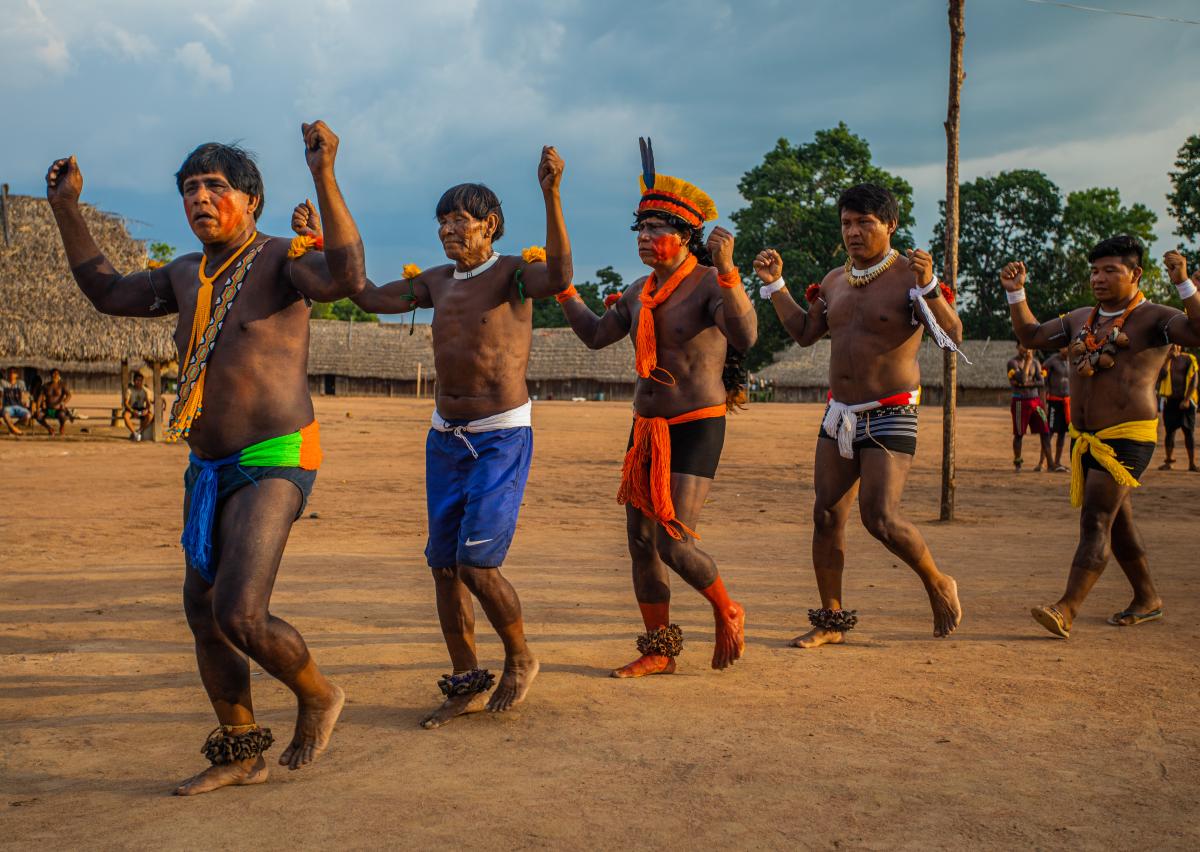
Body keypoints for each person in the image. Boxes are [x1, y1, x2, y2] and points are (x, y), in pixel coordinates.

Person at [46, 120, 364, 794]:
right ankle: (242, 747)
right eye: (189, 188)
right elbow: (106, 291)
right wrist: (67, 209)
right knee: (202, 610)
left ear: (250, 201)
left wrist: (324, 173)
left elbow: (347, 277)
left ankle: (317, 693)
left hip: (278, 453)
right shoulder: (185, 274)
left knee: (239, 611)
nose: (199, 198)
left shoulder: (282, 260)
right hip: (209, 468)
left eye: (215, 186)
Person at [296, 146, 570, 727]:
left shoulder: (514, 274)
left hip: (501, 436)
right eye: (442, 222)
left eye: (460, 221)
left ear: (490, 225)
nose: (448, 230)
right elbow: (368, 296)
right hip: (445, 438)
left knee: (478, 567)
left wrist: (551, 192)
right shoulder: (437, 283)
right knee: (444, 567)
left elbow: (563, 276)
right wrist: (323, 245)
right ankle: (466, 676)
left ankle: (520, 657)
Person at [552, 138, 755, 677]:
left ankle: (727, 607)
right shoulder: (640, 289)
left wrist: (731, 271)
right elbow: (597, 336)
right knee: (641, 543)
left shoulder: (711, 283)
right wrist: (564, 292)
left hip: (695, 426)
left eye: (656, 230)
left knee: (672, 542)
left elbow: (747, 333)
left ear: (686, 237)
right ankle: (659, 649)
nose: (645, 239)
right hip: (646, 428)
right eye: (640, 230)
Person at [754, 183, 964, 648]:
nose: (853, 231)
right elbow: (806, 333)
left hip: (890, 412)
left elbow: (952, 335)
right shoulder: (833, 281)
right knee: (826, 515)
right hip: (839, 415)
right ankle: (830, 620)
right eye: (847, 223)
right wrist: (775, 286)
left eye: (864, 222)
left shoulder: (911, 276)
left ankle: (936, 581)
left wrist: (929, 287)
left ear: (890, 225)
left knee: (880, 518)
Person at [999, 240, 1200, 638]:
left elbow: (1198, 331)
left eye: (1110, 270)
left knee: (1095, 519)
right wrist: (1015, 291)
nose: (1099, 278)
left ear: (1135, 274)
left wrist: (1184, 285)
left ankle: (1066, 608)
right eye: (1095, 271)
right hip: (1085, 437)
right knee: (1117, 522)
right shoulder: (1079, 320)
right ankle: (1147, 598)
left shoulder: (1154, 319)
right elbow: (1032, 334)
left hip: (1128, 437)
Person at [1007, 344, 1052, 472]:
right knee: (1019, 433)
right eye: (1023, 346)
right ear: (1017, 347)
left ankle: (1050, 462)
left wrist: (1026, 384)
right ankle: (1018, 463)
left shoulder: (1036, 363)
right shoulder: (1012, 363)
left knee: (1045, 431)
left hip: (1035, 401)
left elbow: (1041, 382)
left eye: (1028, 347)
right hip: (1020, 402)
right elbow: (1022, 379)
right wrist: (1027, 363)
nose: (1026, 349)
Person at [1157, 343, 1197, 471]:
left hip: (1187, 401)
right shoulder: (1164, 360)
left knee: (1189, 432)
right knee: (1170, 432)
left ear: (1181, 346)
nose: (1175, 347)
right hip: (1170, 401)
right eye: (1172, 345)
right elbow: (1161, 376)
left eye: (1177, 345)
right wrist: (1168, 359)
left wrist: (1186, 400)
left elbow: (1194, 380)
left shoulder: (1189, 358)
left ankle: (1192, 464)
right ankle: (1168, 462)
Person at [1043, 346, 1072, 471]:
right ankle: (1046, 462)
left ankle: (1057, 462)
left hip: (1067, 402)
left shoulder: (1073, 361)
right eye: (1064, 347)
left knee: (1062, 433)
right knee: (1049, 432)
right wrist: (1045, 399)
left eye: (1068, 347)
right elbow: (1043, 378)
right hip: (1054, 401)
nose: (1066, 349)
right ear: (1059, 348)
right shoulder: (1052, 361)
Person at [35, 368, 72, 436]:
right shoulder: (46, 386)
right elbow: (40, 398)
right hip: (48, 410)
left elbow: (69, 395)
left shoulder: (62, 385)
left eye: (56, 374)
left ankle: (62, 427)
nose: (55, 375)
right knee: (38, 416)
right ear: (50, 375)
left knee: (63, 415)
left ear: (59, 375)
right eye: (53, 374)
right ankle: (49, 428)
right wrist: (37, 409)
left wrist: (63, 403)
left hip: (58, 410)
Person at [123, 371, 155, 441]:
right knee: (125, 416)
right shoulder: (129, 390)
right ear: (134, 381)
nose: (139, 382)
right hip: (131, 408)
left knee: (150, 416)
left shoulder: (145, 390)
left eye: (140, 380)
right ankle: (134, 433)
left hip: (141, 408)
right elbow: (126, 403)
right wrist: (132, 411)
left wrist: (146, 410)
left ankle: (139, 431)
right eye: (137, 380)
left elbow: (148, 403)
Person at [1, 367, 32, 435]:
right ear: (7, 373)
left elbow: (25, 394)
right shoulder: (3, 382)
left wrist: (26, 402)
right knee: (5, 414)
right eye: (10, 372)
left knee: (28, 415)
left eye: (14, 372)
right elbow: (1, 395)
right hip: (8, 406)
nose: (11, 374)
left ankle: (13, 427)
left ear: (17, 374)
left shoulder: (21, 383)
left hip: (19, 406)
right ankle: (15, 430)